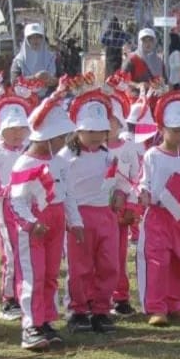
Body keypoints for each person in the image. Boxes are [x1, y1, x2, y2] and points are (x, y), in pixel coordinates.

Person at [6, 91, 74, 350]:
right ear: (45, 138)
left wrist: (74, 221)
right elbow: (16, 201)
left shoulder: (60, 162)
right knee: (33, 274)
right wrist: (32, 222)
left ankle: (46, 318)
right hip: (34, 226)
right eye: (58, 138)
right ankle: (30, 325)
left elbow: (67, 193)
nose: (62, 143)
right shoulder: (24, 163)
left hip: (55, 223)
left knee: (50, 274)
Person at [135, 92, 180, 327]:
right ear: (162, 128)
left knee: (179, 258)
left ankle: (175, 302)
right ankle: (156, 306)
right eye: (176, 130)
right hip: (158, 216)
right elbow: (144, 181)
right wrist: (143, 193)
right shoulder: (153, 155)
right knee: (157, 260)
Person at [59, 91, 122, 335]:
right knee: (80, 265)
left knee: (108, 264)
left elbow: (117, 182)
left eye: (100, 131)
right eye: (90, 131)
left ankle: (101, 309)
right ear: (77, 130)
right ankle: (78, 310)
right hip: (79, 215)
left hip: (105, 215)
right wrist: (70, 218)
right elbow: (62, 187)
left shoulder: (109, 156)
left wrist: (119, 195)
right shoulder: (67, 157)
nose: (96, 136)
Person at [0, 93, 33, 321]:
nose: (16, 133)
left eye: (20, 128)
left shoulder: (28, 152)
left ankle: (24, 292)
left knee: (25, 250)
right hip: (4, 206)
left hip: (26, 204)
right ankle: (8, 299)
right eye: (10, 128)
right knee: (9, 252)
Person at [105, 91, 142, 317]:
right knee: (99, 255)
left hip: (120, 211)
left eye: (113, 122)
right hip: (99, 209)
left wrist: (131, 206)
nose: (108, 126)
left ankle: (120, 296)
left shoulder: (128, 148)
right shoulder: (93, 150)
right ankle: (97, 298)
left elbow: (136, 178)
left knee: (118, 255)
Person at [10, 24, 57, 89]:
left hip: (51, 96)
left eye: (38, 36)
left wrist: (54, 81)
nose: (35, 40)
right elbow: (14, 82)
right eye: (31, 37)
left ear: (42, 38)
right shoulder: (19, 60)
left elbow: (62, 78)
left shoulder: (53, 58)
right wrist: (34, 78)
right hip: (25, 97)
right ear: (26, 40)